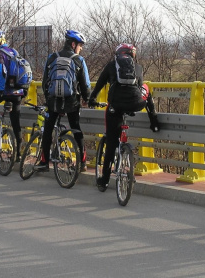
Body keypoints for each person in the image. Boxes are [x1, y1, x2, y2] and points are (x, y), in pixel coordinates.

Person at [88, 43, 160, 191]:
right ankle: (154, 121)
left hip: (115, 107)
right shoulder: (138, 68)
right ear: (132, 55)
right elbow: (139, 88)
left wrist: (92, 99)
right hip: (135, 104)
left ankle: (104, 180)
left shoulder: (111, 66)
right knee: (146, 87)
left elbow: (99, 85)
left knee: (111, 142)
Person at [35, 29, 91, 172]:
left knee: (48, 130)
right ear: (73, 44)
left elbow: (44, 82)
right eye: (80, 45)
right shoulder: (79, 60)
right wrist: (86, 98)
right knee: (76, 130)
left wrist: (49, 98)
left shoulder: (52, 57)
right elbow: (85, 85)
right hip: (71, 102)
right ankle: (83, 162)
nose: (81, 48)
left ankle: (44, 162)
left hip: (53, 102)